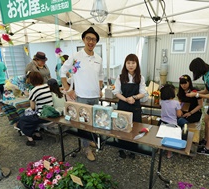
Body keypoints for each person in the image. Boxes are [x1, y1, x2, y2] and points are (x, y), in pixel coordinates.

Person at [60, 27, 104, 161]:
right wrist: (68, 89)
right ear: (84, 40)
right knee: (83, 124)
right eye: (89, 39)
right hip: (82, 97)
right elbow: (63, 72)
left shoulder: (98, 58)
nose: (91, 41)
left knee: (94, 123)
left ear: (96, 42)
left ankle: (90, 140)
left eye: (94, 39)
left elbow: (101, 75)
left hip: (95, 97)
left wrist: (100, 88)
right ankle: (86, 148)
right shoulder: (75, 57)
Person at [113, 53, 146, 159]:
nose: (130, 65)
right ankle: (121, 149)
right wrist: (126, 99)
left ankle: (133, 150)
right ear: (125, 64)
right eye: (128, 63)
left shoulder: (140, 78)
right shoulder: (120, 77)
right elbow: (116, 92)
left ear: (137, 64)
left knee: (135, 128)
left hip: (135, 105)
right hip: (123, 104)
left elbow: (143, 93)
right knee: (121, 127)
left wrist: (134, 98)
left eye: (133, 62)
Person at [17, 71, 53, 146]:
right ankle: (37, 134)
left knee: (23, 119)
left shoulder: (33, 90)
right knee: (31, 117)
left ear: (31, 80)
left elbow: (33, 107)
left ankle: (30, 139)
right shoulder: (47, 86)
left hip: (42, 116)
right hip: (51, 112)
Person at [158, 84, 182, 158]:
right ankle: (169, 153)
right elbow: (179, 115)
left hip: (162, 122)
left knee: (162, 136)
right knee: (170, 138)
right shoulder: (176, 103)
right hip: (172, 124)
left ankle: (160, 150)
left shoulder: (161, 102)